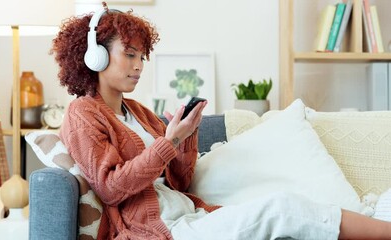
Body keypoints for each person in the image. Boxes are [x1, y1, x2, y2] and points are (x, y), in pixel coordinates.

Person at [51, 3, 391, 239]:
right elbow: (110, 188)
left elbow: (181, 183)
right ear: (94, 56)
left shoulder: (137, 111)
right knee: (282, 208)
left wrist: (187, 137)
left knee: (284, 202)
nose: (139, 65)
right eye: (129, 55)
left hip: (191, 215)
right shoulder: (83, 114)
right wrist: (167, 143)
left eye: (142, 56)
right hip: (162, 231)